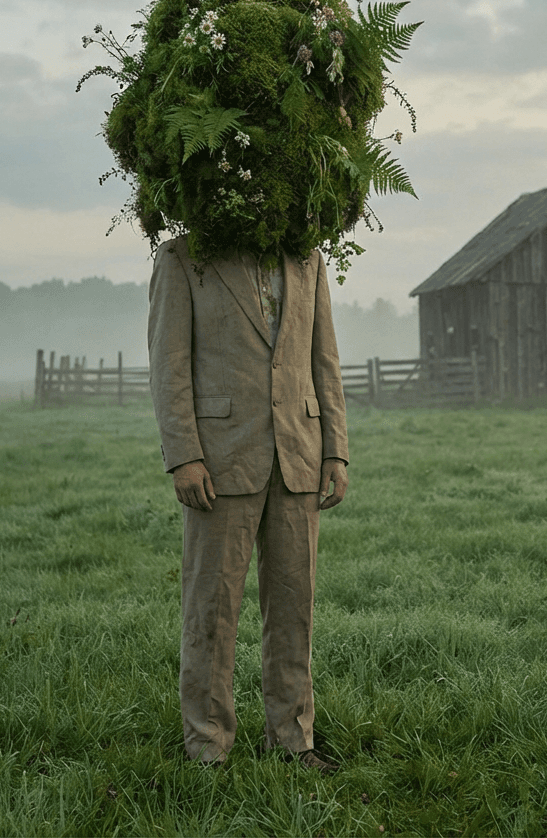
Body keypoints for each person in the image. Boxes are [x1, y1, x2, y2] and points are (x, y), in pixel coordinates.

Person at [148, 235, 349, 772]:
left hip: (299, 454)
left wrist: (336, 451)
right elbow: (169, 365)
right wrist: (184, 454)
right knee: (211, 609)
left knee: (294, 607)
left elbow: (323, 360)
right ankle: (208, 748)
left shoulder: (308, 259)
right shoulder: (182, 258)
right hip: (218, 460)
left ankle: (292, 742)